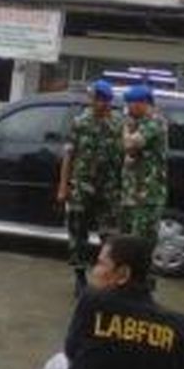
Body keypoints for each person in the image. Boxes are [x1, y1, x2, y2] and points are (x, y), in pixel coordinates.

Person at [38, 235, 184, 369]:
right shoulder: (179, 325)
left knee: (56, 365)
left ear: (123, 274)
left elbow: (71, 350)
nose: (94, 271)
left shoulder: (93, 301)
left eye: (100, 264)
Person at [57, 80, 123, 297]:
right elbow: (69, 155)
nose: (93, 102)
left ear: (106, 101)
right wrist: (63, 186)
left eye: (97, 98)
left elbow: (126, 158)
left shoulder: (118, 124)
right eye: (93, 98)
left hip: (110, 189)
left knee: (109, 236)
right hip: (82, 187)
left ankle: (107, 277)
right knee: (78, 233)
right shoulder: (80, 122)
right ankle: (79, 277)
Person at [120, 85, 168, 247]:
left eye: (129, 103)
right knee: (128, 238)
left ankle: (140, 271)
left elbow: (129, 144)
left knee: (141, 240)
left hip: (147, 195)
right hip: (133, 192)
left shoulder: (155, 122)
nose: (127, 108)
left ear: (141, 104)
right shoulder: (139, 122)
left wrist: (126, 127)